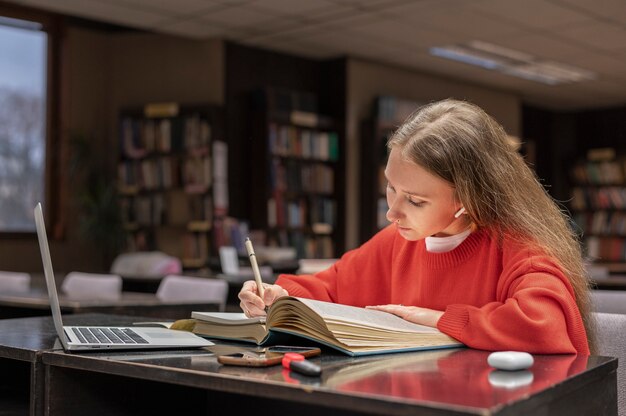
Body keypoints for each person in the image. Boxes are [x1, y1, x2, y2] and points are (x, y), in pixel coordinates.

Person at [239, 98, 594, 355]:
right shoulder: (396, 242)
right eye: (390, 187)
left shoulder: (519, 249)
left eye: (415, 200)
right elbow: (329, 290)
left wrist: (438, 319)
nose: (392, 213)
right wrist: (277, 297)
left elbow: (545, 324)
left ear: (468, 199)